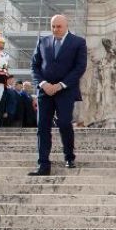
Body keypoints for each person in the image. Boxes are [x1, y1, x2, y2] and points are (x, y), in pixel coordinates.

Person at [29, 14, 88, 176]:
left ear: (66, 26)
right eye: (53, 26)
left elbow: (80, 67)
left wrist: (60, 85)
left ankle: (69, 156)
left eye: (59, 26)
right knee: (42, 126)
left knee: (64, 123)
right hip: (45, 90)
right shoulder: (43, 42)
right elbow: (34, 66)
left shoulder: (78, 42)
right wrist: (43, 84)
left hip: (66, 90)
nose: (55, 29)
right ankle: (43, 164)